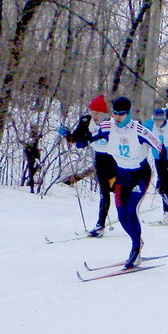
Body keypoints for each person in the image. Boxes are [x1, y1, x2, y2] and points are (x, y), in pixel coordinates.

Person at [85, 96, 162, 268]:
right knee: (121, 215)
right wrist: (81, 138)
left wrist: (163, 174)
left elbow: (160, 148)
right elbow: (91, 139)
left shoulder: (139, 130)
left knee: (131, 211)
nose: (118, 117)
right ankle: (137, 241)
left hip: (140, 174)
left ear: (128, 113)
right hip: (122, 173)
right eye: (115, 114)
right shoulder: (107, 126)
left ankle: (135, 250)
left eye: (122, 114)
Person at [62, 95, 118, 238]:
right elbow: (77, 141)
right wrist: (67, 134)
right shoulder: (86, 121)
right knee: (104, 191)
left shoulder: (111, 123)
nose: (95, 115)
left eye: (98, 112)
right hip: (100, 158)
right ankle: (100, 224)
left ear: (104, 113)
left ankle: (127, 214)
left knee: (117, 190)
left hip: (115, 159)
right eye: (93, 111)